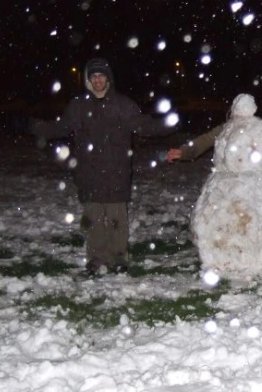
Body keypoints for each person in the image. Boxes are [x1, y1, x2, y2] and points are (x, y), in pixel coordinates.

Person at [29, 57, 177, 274]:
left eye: (101, 76)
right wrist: (35, 126)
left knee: (117, 218)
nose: (98, 80)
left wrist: (167, 124)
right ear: (89, 80)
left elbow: (144, 126)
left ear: (108, 78)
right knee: (94, 218)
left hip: (117, 171)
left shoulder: (122, 105)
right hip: (89, 172)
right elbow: (60, 128)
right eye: (94, 76)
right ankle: (96, 260)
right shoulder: (79, 106)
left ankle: (119, 261)